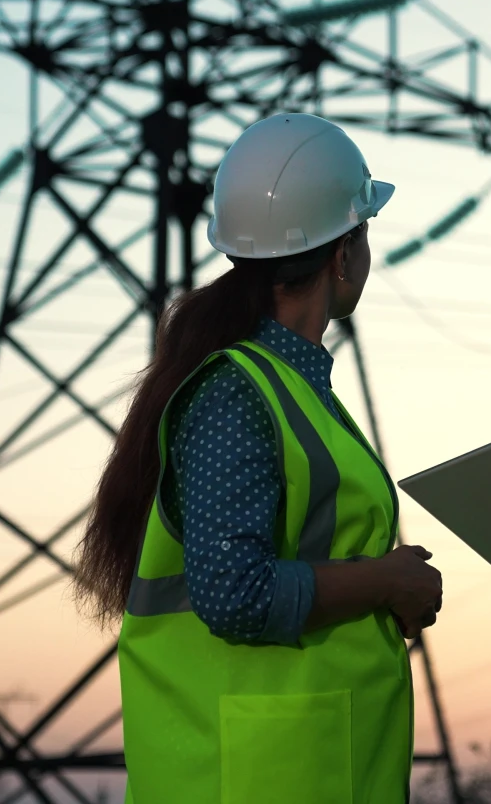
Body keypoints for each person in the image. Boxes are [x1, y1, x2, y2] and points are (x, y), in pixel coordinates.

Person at [74, 113, 443, 804]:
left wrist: (380, 590)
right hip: (251, 777)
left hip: (303, 769)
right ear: (342, 254)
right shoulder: (235, 395)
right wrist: (385, 581)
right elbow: (234, 595)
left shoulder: (286, 385)